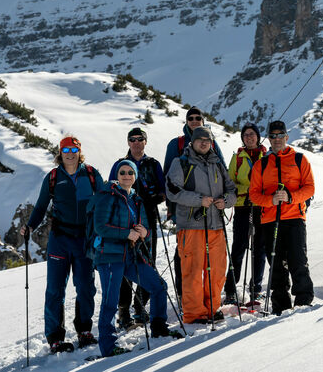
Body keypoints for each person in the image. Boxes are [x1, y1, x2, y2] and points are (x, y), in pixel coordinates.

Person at [90, 160, 182, 358]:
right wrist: (127, 234)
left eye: (130, 172)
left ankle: (158, 326)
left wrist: (144, 232)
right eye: (122, 172)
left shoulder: (136, 199)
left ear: (135, 176)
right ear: (116, 174)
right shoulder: (107, 196)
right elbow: (100, 227)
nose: (126, 175)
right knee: (110, 301)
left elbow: (147, 231)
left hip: (131, 256)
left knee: (159, 286)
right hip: (110, 256)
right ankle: (108, 347)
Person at [21, 136, 102, 353]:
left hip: (84, 238)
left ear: (79, 151)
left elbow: (104, 201)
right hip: (60, 239)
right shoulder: (54, 177)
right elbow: (40, 207)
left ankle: (84, 330)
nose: (69, 153)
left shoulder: (92, 175)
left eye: (73, 149)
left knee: (85, 286)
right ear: (60, 152)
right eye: (65, 149)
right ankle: (55, 337)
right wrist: (30, 226)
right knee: (55, 289)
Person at [165, 126, 236, 324]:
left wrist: (226, 201)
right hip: (191, 226)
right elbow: (172, 190)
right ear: (193, 142)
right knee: (193, 271)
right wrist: (199, 199)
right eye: (200, 139)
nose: (203, 142)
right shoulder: (181, 163)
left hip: (216, 226)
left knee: (217, 270)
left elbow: (232, 189)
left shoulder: (218, 164)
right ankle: (194, 313)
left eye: (207, 140)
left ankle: (212, 309)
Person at [249, 121, 315, 316]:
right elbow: (254, 195)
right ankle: (281, 306)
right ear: (269, 138)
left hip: (295, 217)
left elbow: (310, 188)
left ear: (287, 137)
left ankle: (303, 301)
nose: (277, 139)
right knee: (276, 264)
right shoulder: (261, 164)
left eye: (280, 135)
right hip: (270, 220)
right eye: (273, 135)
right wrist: (271, 200)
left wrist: (290, 197)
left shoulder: (299, 159)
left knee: (298, 260)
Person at [162, 107, 226, 298]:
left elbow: (221, 170)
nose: (195, 120)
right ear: (186, 121)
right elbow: (169, 178)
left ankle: (205, 297)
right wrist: (172, 207)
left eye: (199, 117)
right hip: (185, 209)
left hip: (211, 211)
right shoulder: (176, 144)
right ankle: (186, 296)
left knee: (210, 256)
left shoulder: (212, 144)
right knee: (185, 254)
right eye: (191, 118)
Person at [107, 127, 166, 329]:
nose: (136, 142)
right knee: (125, 265)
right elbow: (110, 190)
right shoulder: (120, 165)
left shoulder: (153, 164)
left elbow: (162, 189)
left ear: (145, 142)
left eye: (140, 139)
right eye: (133, 139)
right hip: (124, 222)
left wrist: (156, 197)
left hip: (147, 220)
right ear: (128, 142)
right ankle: (124, 312)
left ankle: (141, 306)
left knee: (147, 262)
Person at [223, 123, 268, 305]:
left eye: (252, 134)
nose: (249, 137)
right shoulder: (238, 158)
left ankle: (256, 289)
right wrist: (246, 190)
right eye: (246, 135)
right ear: (243, 138)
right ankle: (231, 291)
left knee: (260, 249)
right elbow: (229, 183)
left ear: (257, 136)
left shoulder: (266, 156)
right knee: (238, 249)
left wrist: (256, 191)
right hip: (242, 207)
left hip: (262, 207)